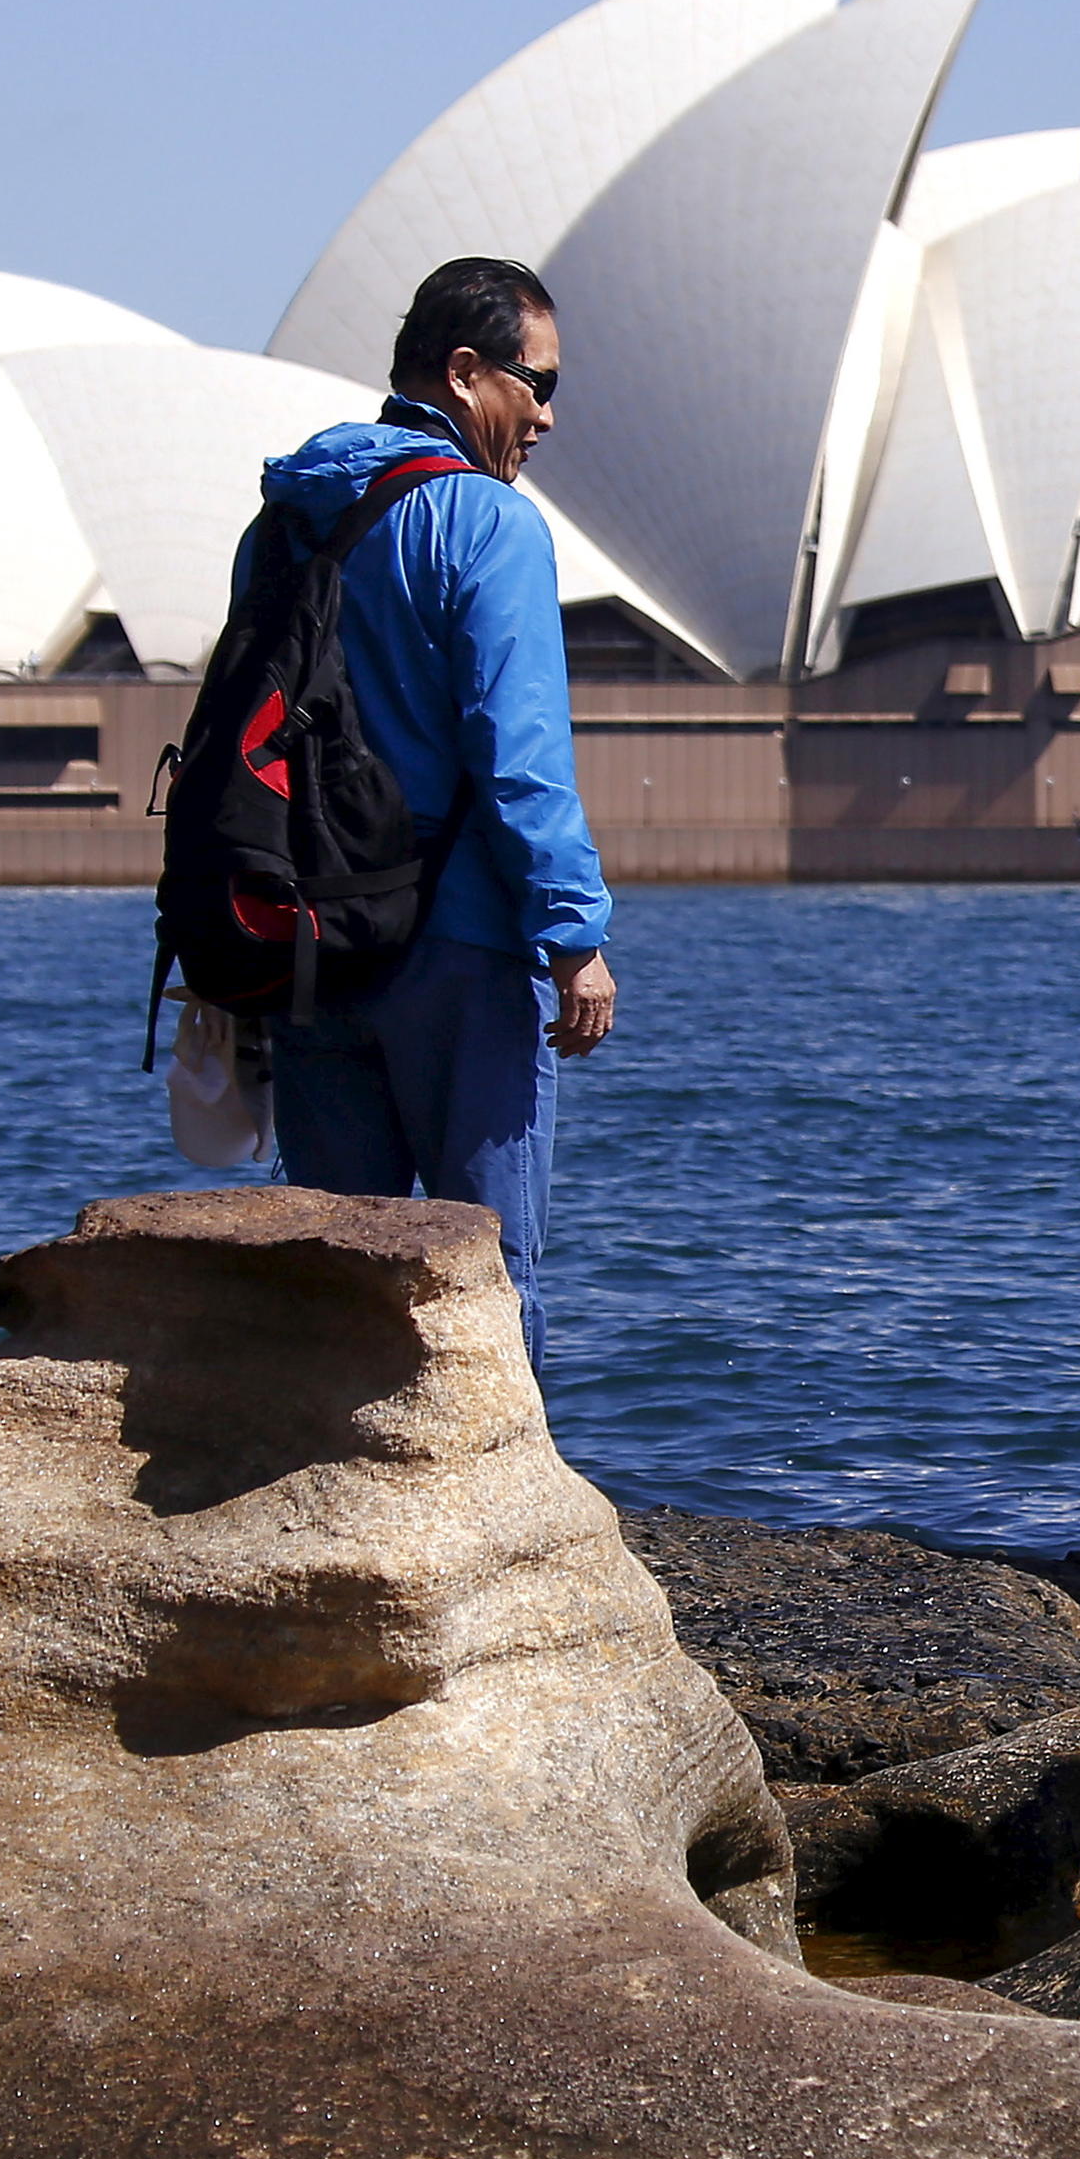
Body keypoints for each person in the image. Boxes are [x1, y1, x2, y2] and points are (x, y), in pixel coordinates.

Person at [260, 255, 619, 1372]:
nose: (548, 415)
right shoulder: (486, 523)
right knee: (479, 1270)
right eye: (537, 382)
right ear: (465, 374)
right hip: (454, 942)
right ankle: (492, 1533)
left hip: (303, 941)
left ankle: (326, 1512)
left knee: (339, 1266)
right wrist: (573, 935)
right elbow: (517, 753)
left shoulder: (286, 520)